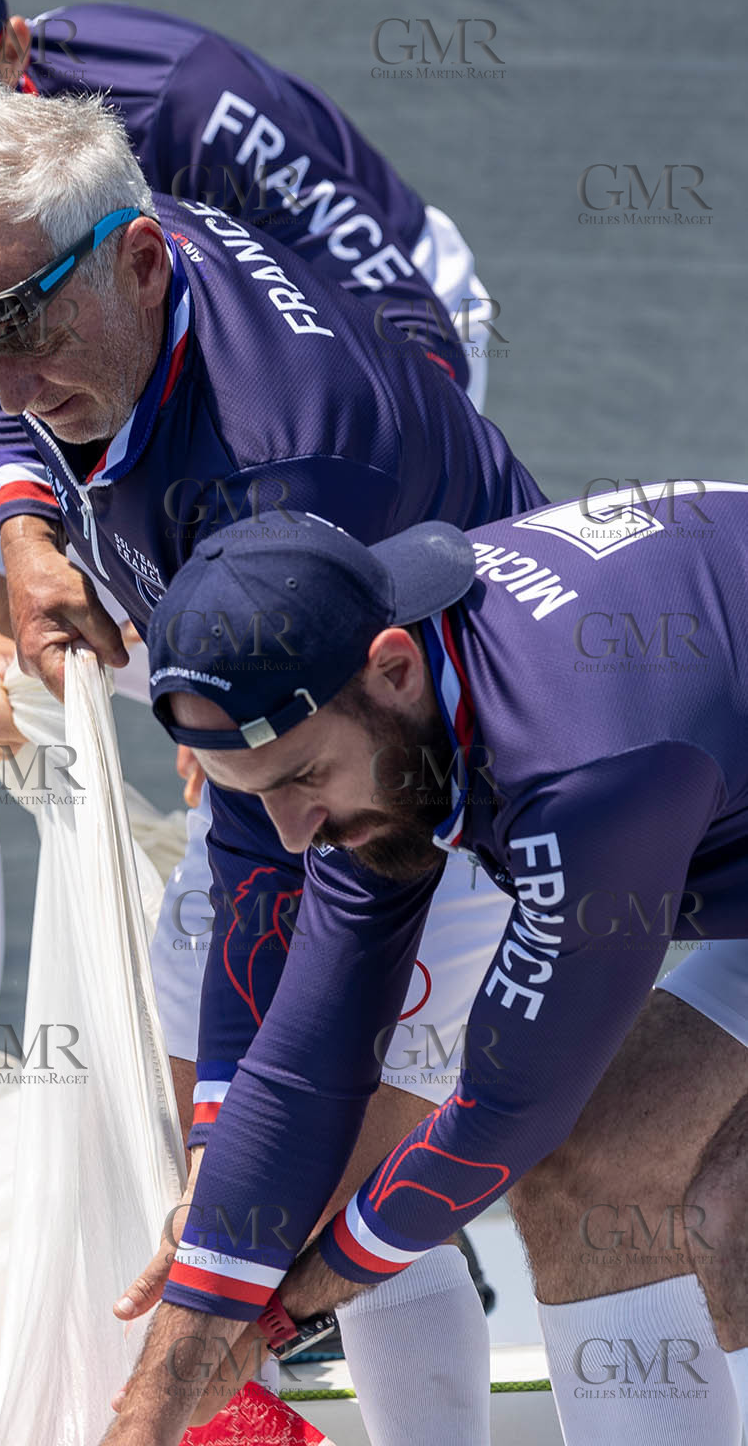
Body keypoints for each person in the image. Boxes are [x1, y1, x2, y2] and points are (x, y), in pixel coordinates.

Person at [0, 77, 544, 1445]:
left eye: (22, 333)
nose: (4, 383)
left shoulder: (277, 463)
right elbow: (22, 391)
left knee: (321, 1164)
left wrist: (236, 1160)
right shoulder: (104, 255)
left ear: (135, 263)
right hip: (286, 714)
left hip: (443, 774)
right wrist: (25, 525)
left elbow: (285, 842)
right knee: (217, 1133)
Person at [0, 0, 492, 1074]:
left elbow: (406, 344)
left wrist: (240, 616)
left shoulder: (184, 96)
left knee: (260, 727)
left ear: (9, 57)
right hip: (58, 362)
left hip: (337, 340)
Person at [100, 486, 748, 1446]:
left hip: (645, 762)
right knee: (593, 1164)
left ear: (391, 669)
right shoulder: (382, 692)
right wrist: (171, 1372)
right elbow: (303, 1072)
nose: (294, 833)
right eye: (257, 797)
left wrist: (274, 1318)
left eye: (301, 781)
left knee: (723, 1208)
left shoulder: (580, 772)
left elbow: (505, 1112)